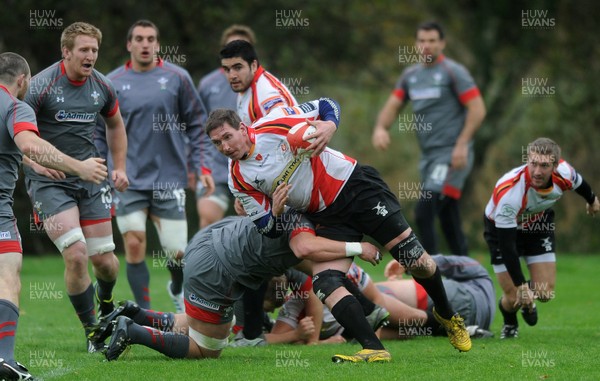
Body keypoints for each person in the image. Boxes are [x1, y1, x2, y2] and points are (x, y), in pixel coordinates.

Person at [205, 97, 473, 363]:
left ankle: (447, 315)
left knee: (416, 261)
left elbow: (326, 104)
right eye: (217, 143)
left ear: (242, 129)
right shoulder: (238, 179)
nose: (225, 147)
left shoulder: (274, 124)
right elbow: (268, 229)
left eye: (228, 137)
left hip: (357, 188)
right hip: (325, 216)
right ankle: (373, 348)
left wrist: (330, 126)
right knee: (326, 283)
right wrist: (274, 212)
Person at [88, 189, 381, 362]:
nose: (276, 305)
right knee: (207, 348)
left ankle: (136, 314)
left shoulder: (288, 202)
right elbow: (313, 264)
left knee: (197, 323)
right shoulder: (302, 241)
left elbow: (316, 272)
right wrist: (359, 247)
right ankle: (134, 331)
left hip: (210, 244)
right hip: (216, 267)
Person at [0, 52, 109, 380]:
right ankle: (4, 359)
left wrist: (28, 162)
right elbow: (31, 143)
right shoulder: (16, 106)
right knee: (7, 277)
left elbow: (19, 150)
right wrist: (80, 167)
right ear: (22, 81)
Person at [94, 20, 214, 313]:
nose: (145, 44)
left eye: (151, 39)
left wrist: (202, 166)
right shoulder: (111, 82)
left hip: (169, 178)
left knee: (177, 252)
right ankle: (144, 314)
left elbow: (199, 123)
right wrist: (101, 168)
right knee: (134, 243)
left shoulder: (177, 78)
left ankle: (176, 287)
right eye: (139, 38)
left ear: (158, 45)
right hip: (127, 178)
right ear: (129, 44)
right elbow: (99, 130)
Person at [23, 22, 129, 353]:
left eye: (95, 50)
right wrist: (36, 163)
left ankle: (108, 303)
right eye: (84, 50)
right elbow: (14, 133)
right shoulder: (40, 86)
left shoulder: (103, 87)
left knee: (107, 263)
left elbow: (115, 124)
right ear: (65, 52)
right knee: (76, 252)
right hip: (48, 183)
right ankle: (93, 331)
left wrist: (120, 167)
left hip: (90, 179)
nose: (91, 56)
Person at [371, 21, 486, 256]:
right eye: (422, 41)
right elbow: (393, 105)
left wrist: (462, 145)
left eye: (432, 41)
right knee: (448, 214)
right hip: (429, 158)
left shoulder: (454, 72)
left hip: (451, 154)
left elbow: (477, 109)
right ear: (416, 44)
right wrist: (381, 128)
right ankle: (465, 273)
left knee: (424, 211)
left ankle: (431, 270)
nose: (427, 46)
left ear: (442, 43)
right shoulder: (410, 76)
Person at [484, 137, 599, 339]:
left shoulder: (565, 173)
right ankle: (510, 322)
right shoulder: (510, 193)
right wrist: (521, 287)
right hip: (501, 230)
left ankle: (527, 296)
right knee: (513, 297)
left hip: (538, 224)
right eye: (533, 163)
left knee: (545, 292)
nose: (537, 171)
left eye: (544, 165)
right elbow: (508, 246)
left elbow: (580, 184)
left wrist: (592, 200)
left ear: (555, 165)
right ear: (527, 160)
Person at [269, 255, 495, 344]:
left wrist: (309, 340)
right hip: (457, 302)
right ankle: (456, 327)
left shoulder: (304, 290)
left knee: (380, 309)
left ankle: (451, 325)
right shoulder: (293, 302)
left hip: (454, 301)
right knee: (379, 317)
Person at [195, 25, 256, 230]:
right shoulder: (207, 84)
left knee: (258, 226)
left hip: (253, 166)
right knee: (208, 221)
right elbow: (196, 127)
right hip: (216, 168)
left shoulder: (264, 87)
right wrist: (194, 165)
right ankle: (208, 262)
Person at [220, 39, 297, 125]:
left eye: (238, 68)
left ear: (253, 66)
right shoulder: (245, 84)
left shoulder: (266, 93)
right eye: (227, 69)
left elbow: (284, 131)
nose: (232, 76)